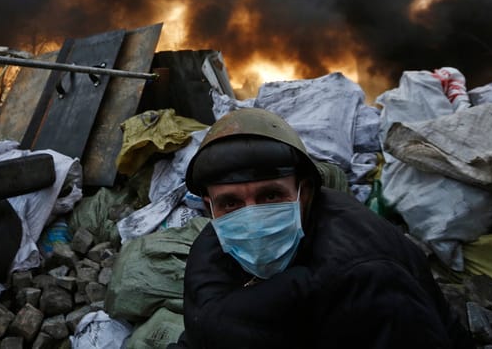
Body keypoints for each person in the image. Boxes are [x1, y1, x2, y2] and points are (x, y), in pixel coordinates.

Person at [168, 107, 473, 349]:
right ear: (210, 208)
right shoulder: (211, 251)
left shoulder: (367, 273)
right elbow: (205, 333)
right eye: (231, 203)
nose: (252, 218)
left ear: (306, 193)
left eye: (271, 196)